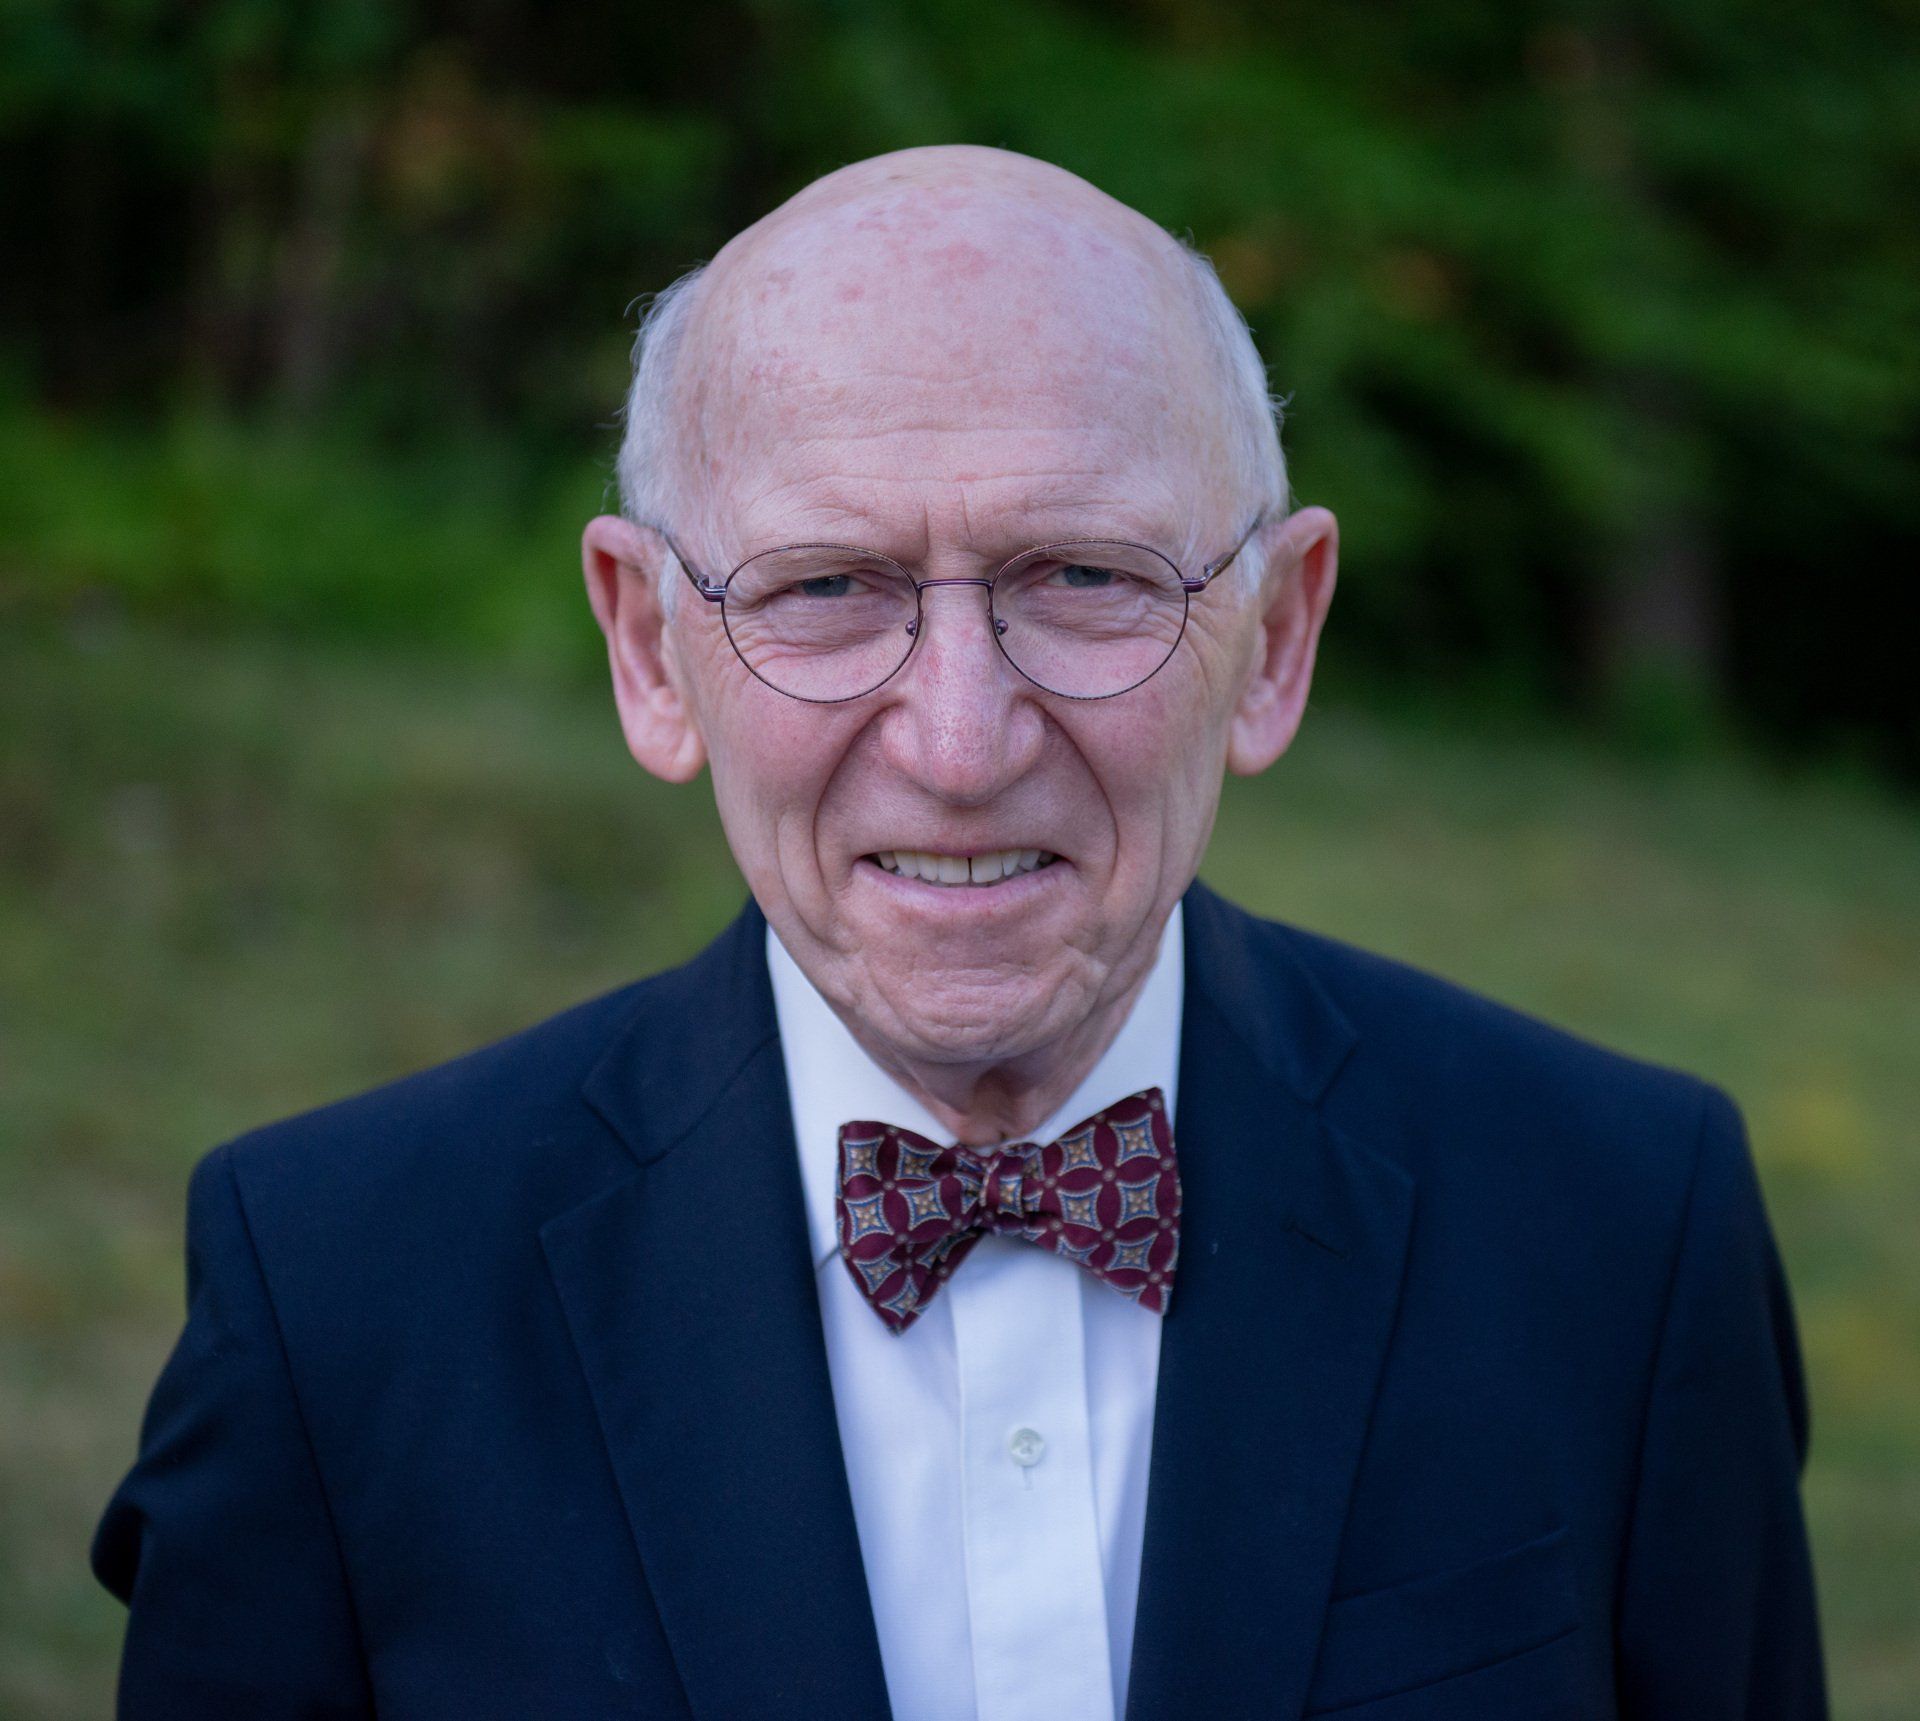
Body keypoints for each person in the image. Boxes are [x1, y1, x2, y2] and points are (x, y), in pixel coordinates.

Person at [90, 144, 1826, 1720]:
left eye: (1085, 576)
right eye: (826, 589)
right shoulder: (333, 1300)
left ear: (1276, 637)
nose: (960, 738)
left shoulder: (1625, 1228)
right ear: (647, 648)